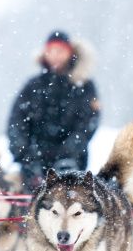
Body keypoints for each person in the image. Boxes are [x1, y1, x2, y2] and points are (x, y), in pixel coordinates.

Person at [6, 30, 101, 192]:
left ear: (70, 53)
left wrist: (68, 152)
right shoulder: (33, 86)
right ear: (45, 53)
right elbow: (17, 122)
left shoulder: (84, 85)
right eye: (51, 50)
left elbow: (88, 123)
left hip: (72, 163)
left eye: (61, 50)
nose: (55, 55)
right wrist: (26, 155)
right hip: (33, 163)